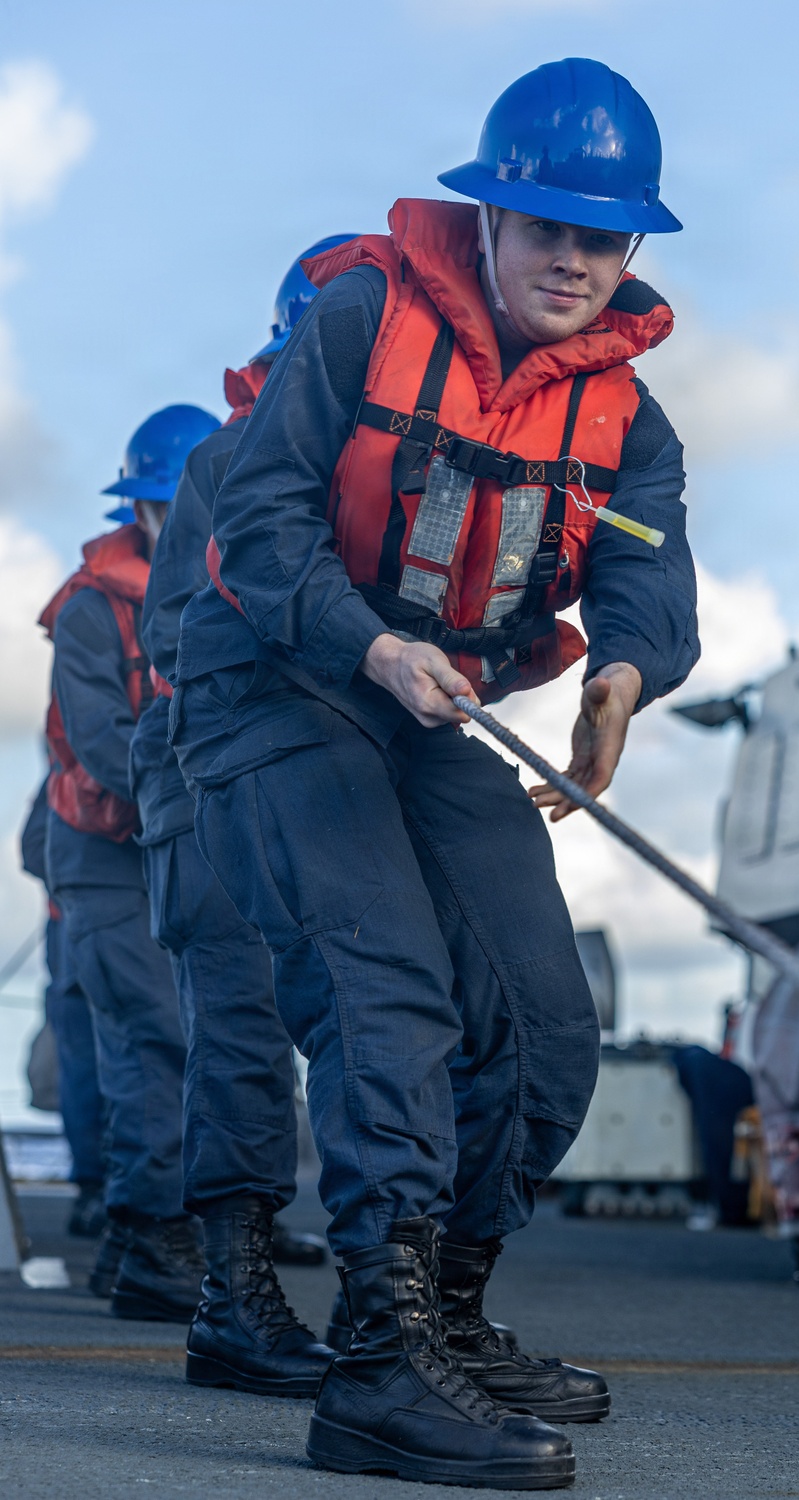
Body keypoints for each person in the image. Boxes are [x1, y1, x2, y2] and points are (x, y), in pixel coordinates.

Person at [172, 58, 698, 1489]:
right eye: (550, 229)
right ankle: (376, 1370)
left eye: (605, 237)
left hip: (432, 704)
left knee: (542, 1019)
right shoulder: (358, 319)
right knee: (383, 989)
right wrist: (366, 644)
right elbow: (262, 524)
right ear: (490, 218)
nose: (577, 261)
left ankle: (446, 1319)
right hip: (281, 686)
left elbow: (651, 569)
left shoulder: (627, 418)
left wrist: (622, 677)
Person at [131, 237, 356, 1399]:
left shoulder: (363, 468)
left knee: (352, 1022)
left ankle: (392, 1298)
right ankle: (232, 1298)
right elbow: (176, 641)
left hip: (315, 778)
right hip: (213, 773)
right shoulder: (231, 463)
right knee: (240, 1028)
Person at [41, 404, 219, 1320]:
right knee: (149, 1034)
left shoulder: (229, 587)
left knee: (214, 1033)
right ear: (141, 508)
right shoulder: (88, 612)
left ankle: (168, 1226)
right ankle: (154, 1236)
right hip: (106, 852)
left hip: (183, 839)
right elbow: (104, 745)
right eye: (171, 500)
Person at [20, 779, 107, 1239]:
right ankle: (92, 1188)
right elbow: (33, 849)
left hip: (136, 941)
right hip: (74, 940)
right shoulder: (65, 776)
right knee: (83, 1069)